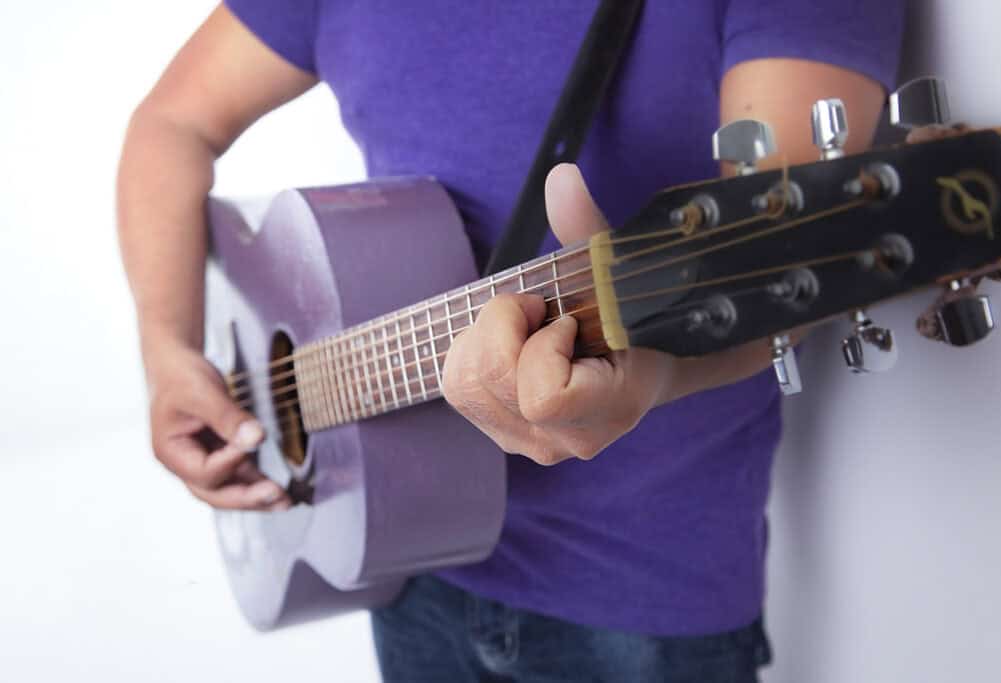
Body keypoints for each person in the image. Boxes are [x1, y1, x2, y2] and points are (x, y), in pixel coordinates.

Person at [117, 2, 905, 680]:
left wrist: (653, 375)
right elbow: (171, 124)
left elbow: (789, 256)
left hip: (641, 600)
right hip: (407, 559)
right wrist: (167, 349)